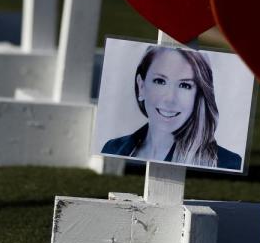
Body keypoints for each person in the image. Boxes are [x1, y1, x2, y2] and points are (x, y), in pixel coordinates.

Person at [101, 46, 242, 170]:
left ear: (199, 95)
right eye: (160, 81)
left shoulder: (226, 162)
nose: (170, 99)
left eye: (185, 85)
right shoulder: (113, 148)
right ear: (141, 86)